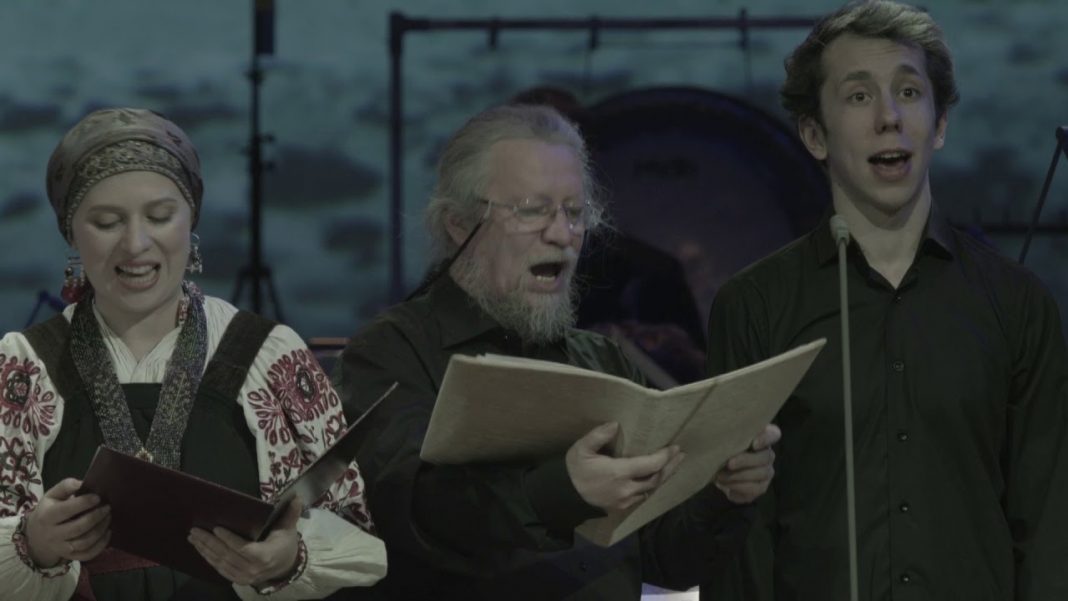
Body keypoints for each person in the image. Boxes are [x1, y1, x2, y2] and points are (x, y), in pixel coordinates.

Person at [333, 103, 779, 600]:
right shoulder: (392, 351)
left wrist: (724, 493)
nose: (563, 235)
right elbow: (410, 515)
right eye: (532, 209)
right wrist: (563, 492)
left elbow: (666, 559)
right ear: (459, 223)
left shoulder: (605, 361)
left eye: (574, 212)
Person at [702, 1, 1068, 599]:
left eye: (909, 92)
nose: (889, 117)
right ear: (814, 135)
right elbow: (743, 544)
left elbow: (1050, 533)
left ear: (939, 124)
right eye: (858, 96)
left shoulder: (1017, 305)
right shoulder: (755, 306)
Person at [0, 108, 386, 601]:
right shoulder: (24, 367)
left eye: (160, 217)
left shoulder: (267, 356)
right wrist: (34, 543)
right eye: (106, 222)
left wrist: (288, 558)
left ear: (191, 221)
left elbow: (354, 527)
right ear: (72, 233)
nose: (136, 244)